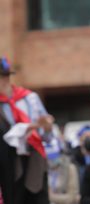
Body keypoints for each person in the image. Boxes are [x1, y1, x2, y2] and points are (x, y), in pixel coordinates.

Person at [0, 56, 54, 204]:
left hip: (34, 158)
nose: (3, 81)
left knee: (38, 198)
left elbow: (47, 136)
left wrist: (47, 128)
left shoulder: (30, 98)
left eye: (4, 76)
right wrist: (31, 127)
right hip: (8, 164)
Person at [45, 137, 79, 204]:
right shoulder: (43, 169)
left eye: (54, 156)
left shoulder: (70, 168)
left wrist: (50, 196)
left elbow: (71, 198)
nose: (50, 160)